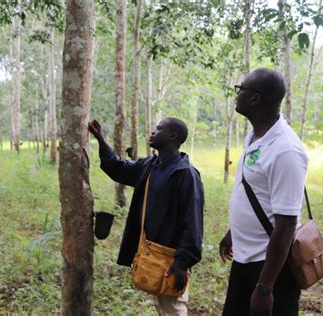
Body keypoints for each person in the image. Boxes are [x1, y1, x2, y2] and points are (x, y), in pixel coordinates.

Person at [89, 117, 204, 315]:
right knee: (162, 306)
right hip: (151, 254)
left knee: (174, 309)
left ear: (172, 136)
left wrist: (181, 262)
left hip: (171, 259)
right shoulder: (151, 166)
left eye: (158, 129)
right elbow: (120, 168)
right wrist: (100, 138)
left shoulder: (185, 174)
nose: (152, 132)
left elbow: (192, 222)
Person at [219, 68, 308, 316]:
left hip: (271, 270)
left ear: (255, 98)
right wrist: (233, 232)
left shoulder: (286, 151)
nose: (237, 94)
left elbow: (287, 224)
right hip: (244, 260)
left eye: (241, 89)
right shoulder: (255, 136)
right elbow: (257, 193)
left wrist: (265, 288)